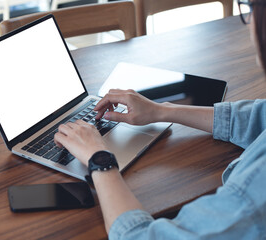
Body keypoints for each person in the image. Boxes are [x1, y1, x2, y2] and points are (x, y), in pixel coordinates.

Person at [53, 0, 266, 239]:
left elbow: (139, 236)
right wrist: (162, 111)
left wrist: (98, 159)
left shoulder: (253, 199)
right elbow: (260, 118)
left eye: (250, 8)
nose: (248, 24)